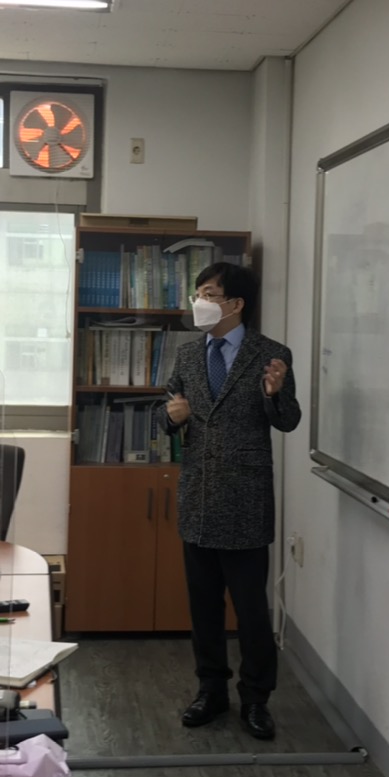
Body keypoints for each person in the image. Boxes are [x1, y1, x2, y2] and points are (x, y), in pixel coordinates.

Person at [158, 262, 300, 741]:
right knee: (204, 608)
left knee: (252, 611)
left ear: (236, 303)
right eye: (198, 293)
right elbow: (167, 414)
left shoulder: (271, 354)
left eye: (209, 293)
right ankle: (211, 690)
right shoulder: (187, 354)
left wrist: (275, 394)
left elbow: (288, 420)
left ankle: (256, 698)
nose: (199, 302)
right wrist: (172, 416)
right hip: (198, 498)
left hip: (246, 498)